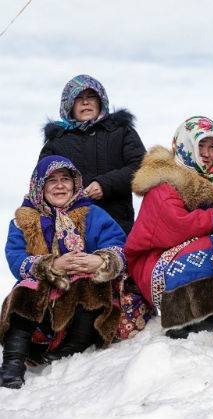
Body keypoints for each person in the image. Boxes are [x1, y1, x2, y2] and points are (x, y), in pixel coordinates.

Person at [0, 156, 126, 389]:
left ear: (76, 183)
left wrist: (99, 260)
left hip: (78, 302)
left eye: (65, 179)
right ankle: (12, 363)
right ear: (39, 186)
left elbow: (118, 245)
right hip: (43, 306)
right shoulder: (23, 220)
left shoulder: (92, 214)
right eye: (52, 181)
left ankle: (72, 347)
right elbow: (15, 258)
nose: (60, 185)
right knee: (26, 289)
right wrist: (52, 266)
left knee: (92, 284)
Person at [124, 116, 213, 338]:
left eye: (212, 146)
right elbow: (176, 227)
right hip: (154, 264)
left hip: (182, 252)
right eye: (200, 145)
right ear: (185, 146)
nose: (206, 153)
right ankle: (181, 317)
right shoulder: (164, 182)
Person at [40, 74, 146, 234]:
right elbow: (42, 182)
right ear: (69, 104)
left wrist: (105, 185)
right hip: (70, 230)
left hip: (117, 225)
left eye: (91, 97)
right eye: (78, 98)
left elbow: (142, 168)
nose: (85, 102)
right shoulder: (56, 142)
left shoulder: (121, 131)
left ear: (101, 101)